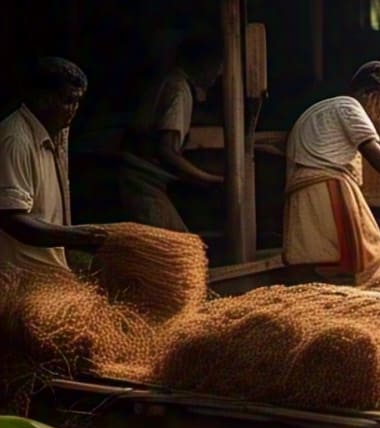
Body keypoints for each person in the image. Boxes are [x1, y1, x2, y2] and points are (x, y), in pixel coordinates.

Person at [282, 62, 380, 286]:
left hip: (302, 192)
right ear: (376, 96)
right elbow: (375, 156)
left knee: (317, 264)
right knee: (368, 260)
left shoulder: (322, 109)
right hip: (327, 187)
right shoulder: (350, 108)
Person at [0, 58, 107, 279]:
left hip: (52, 267)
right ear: (42, 99)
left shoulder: (56, 132)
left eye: (78, 102)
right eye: (68, 101)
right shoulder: (15, 140)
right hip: (22, 275)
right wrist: (78, 236)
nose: (74, 109)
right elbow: (12, 220)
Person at [120, 33, 224, 232]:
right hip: (141, 179)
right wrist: (208, 179)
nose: (219, 72)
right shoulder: (179, 89)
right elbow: (166, 150)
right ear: (201, 62)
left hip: (136, 176)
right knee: (177, 247)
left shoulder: (168, 81)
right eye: (217, 63)